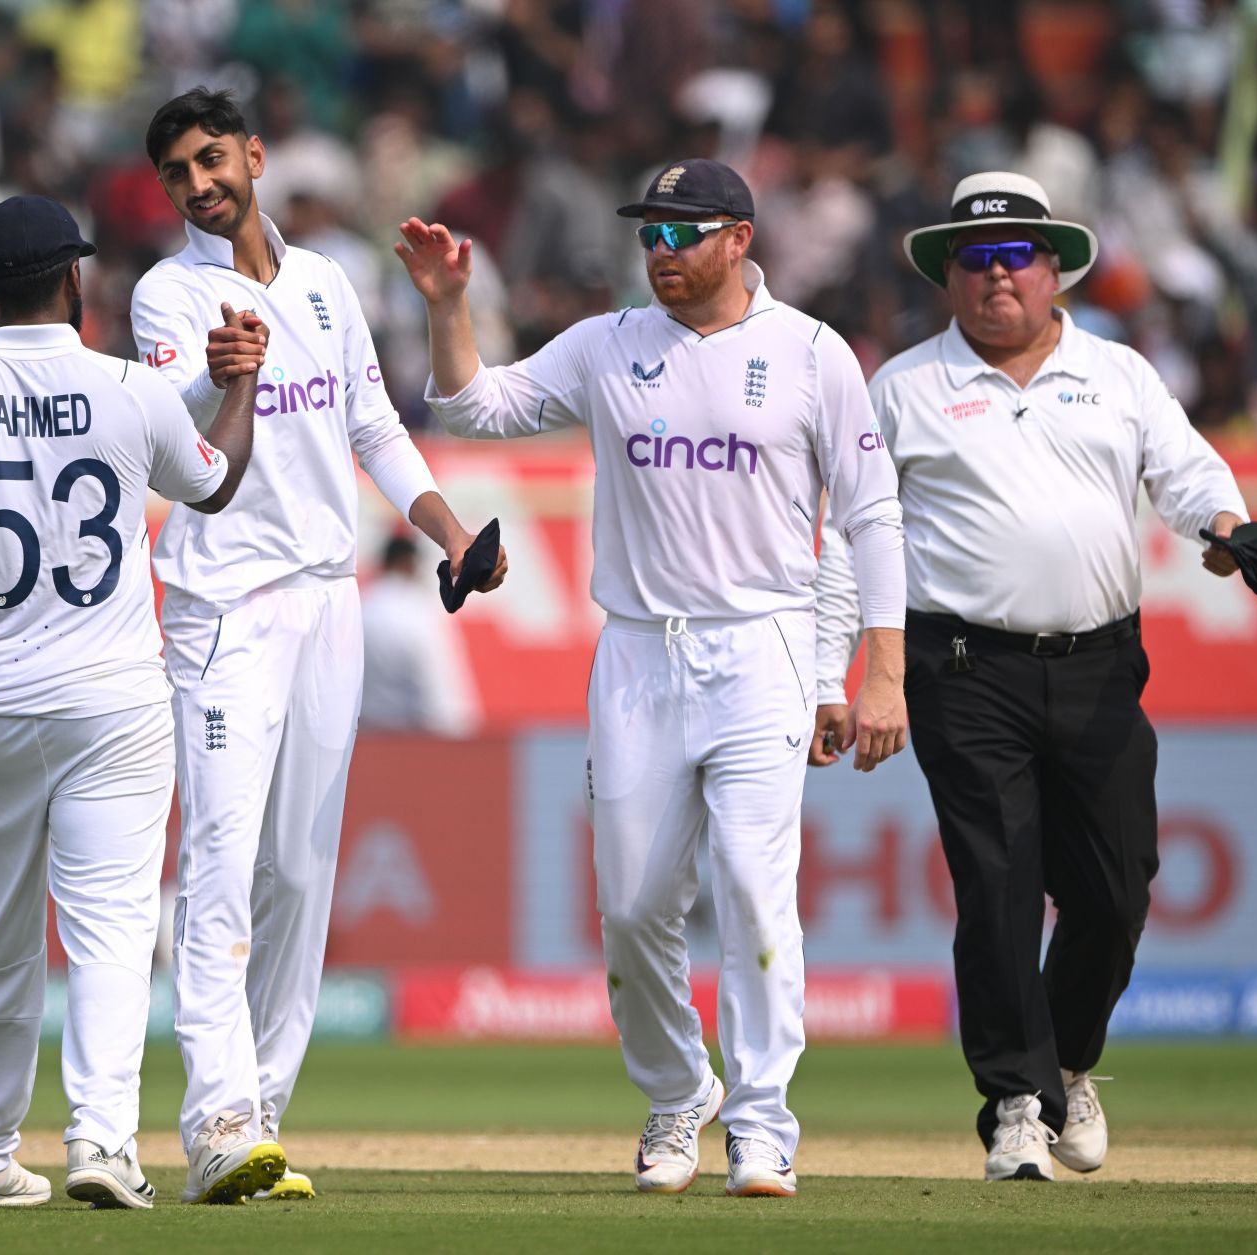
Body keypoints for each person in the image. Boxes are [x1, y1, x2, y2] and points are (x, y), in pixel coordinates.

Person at [397, 158, 909, 1199]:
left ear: (739, 238)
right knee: (631, 904)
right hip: (636, 650)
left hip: (760, 646)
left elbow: (872, 516)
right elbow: (471, 410)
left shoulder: (813, 354)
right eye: (650, 235)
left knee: (757, 894)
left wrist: (874, 673)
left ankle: (763, 1124)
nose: (661, 252)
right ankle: (681, 1091)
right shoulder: (610, 343)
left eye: (684, 233)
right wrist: (452, 308)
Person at [813, 172, 1249, 1182]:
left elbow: (1188, 476)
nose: (997, 275)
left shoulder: (1120, 373)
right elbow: (851, 542)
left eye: (1017, 255)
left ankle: (1067, 1059)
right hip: (961, 666)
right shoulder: (904, 387)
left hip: (1100, 663)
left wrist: (1230, 532)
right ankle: (1015, 1099)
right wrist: (842, 675)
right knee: (999, 883)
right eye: (975, 259)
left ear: (1055, 270)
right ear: (946, 278)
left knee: (1116, 888)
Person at [0, 194, 264, 1210]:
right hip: (112, 697)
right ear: (76, 279)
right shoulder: (130, 389)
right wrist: (240, 386)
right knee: (114, 930)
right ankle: (102, 1141)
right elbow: (213, 485)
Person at [130, 87, 506, 1206]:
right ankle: (216, 1120)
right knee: (220, 865)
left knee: (299, 871)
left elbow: (373, 426)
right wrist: (217, 369)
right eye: (176, 175)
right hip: (221, 608)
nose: (198, 185)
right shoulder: (167, 293)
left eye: (209, 161)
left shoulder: (329, 280)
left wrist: (447, 532)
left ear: (253, 155)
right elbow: (167, 445)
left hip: (326, 601)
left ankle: (265, 1122)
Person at [361, 534, 481, 737]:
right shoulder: (421, 612)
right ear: (410, 564)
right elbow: (440, 691)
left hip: (364, 738)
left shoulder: (361, 608)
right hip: (415, 741)